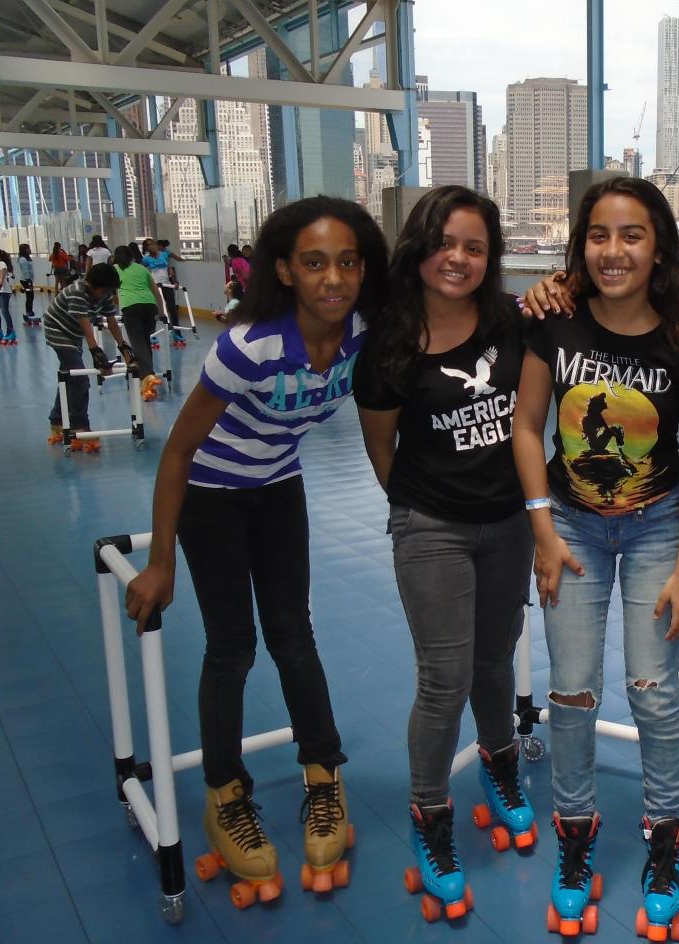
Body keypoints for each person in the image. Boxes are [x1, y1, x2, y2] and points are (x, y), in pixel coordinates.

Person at [123, 196, 389, 905]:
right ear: (284, 270)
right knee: (232, 647)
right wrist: (161, 559)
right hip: (212, 492)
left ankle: (323, 776)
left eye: (347, 262)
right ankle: (224, 793)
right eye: (313, 263)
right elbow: (178, 451)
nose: (332, 279)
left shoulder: (364, 329)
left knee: (294, 636)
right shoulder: (249, 346)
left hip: (278, 485)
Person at [512, 177, 679, 940]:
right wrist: (542, 529)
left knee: (653, 688)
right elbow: (529, 428)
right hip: (572, 529)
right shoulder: (554, 323)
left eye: (631, 235)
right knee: (570, 690)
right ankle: (575, 828)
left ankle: (667, 832)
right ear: (580, 243)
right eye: (599, 235)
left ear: (657, 244)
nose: (614, 251)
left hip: (658, 527)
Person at [353, 185, 534, 922]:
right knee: (444, 678)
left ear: (489, 259)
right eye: (443, 242)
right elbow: (381, 451)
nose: (456, 258)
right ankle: (431, 817)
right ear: (419, 248)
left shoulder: (510, 323)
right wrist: (430, 513)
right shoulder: (389, 347)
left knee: (496, 658)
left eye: (474, 247)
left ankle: (500, 764)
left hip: (511, 522)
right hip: (432, 527)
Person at [42, 264, 134, 451]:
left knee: (68, 376)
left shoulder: (105, 294)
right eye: (102, 291)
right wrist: (97, 354)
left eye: (109, 291)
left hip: (74, 334)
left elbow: (111, 322)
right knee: (80, 379)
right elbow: (87, 328)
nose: (105, 294)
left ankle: (57, 419)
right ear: (90, 284)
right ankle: (80, 426)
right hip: (57, 330)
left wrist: (124, 348)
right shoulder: (77, 293)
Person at [113, 245, 169, 401]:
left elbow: (110, 290)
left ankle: (147, 382)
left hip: (131, 307)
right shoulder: (141, 268)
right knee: (145, 343)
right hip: (149, 306)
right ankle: (148, 376)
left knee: (138, 344)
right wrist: (161, 312)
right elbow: (156, 292)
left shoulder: (115, 269)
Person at [143, 237, 184, 344]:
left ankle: (178, 334)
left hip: (167, 285)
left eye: (152, 244)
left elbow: (170, 269)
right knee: (154, 311)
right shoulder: (145, 259)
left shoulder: (164, 254)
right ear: (146, 248)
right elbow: (143, 272)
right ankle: (153, 335)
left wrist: (174, 281)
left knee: (172, 310)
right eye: (148, 245)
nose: (151, 246)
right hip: (155, 286)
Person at [18, 244, 39, 325]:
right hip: (26, 280)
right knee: (30, 296)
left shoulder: (27, 258)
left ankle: (30, 311)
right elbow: (25, 271)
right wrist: (29, 281)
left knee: (31, 296)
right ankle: (28, 312)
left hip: (29, 280)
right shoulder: (22, 259)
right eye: (28, 249)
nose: (29, 250)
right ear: (24, 250)